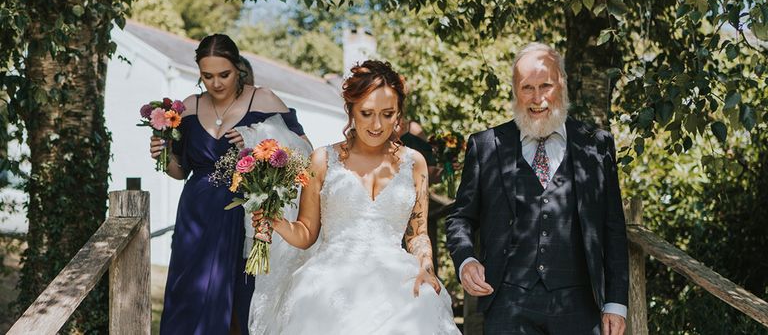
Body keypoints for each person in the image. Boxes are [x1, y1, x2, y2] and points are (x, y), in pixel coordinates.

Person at [251, 60, 460, 334]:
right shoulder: (323, 160)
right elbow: (305, 234)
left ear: (399, 114)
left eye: (388, 114)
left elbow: (418, 234)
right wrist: (276, 222)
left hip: (398, 281)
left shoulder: (415, 163)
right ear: (351, 110)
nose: (377, 124)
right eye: (367, 113)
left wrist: (426, 265)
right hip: (329, 286)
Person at [446, 42, 629, 335]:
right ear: (515, 90)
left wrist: (616, 303)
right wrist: (466, 259)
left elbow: (613, 228)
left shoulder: (596, 144)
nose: (537, 98)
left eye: (545, 85)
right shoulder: (486, 146)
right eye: (527, 87)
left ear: (562, 84)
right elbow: (460, 218)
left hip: (580, 306)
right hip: (507, 303)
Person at [149, 33, 309, 335]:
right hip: (196, 216)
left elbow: (303, 150)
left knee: (244, 299)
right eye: (207, 76)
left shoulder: (263, 99)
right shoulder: (189, 107)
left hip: (246, 213)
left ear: (238, 68)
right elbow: (180, 171)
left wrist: (257, 136)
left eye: (224, 74)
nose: (216, 83)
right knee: (189, 297)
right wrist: (164, 154)